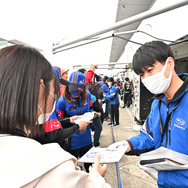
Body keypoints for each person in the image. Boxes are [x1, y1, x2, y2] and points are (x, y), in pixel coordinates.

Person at [0, 45, 110, 188]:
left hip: (85, 140)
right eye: (54, 89)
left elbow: (57, 122)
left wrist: (70, 120)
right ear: (41, 88)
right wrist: (96, 178)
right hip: (72, 143)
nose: (55, 96)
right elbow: (54, 134)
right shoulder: (52, 166)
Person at [108, 41, 188, 187]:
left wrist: (164, 178)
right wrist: (129, 145)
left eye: (150, 70)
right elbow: (149, 136)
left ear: (169, 63)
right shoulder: (157, 104)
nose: (146, 79)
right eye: (141, 74)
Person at [47, 71, 93, 172]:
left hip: (86, 138)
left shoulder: (87, 96)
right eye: (73, 89)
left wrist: (93, 115)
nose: (75, 92)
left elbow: (91, 109)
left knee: (91, 166)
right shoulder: (61, 101)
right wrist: (73, 123)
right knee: (72, 169)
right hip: (72, 140)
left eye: (78, 90)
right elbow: (58, 123)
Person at [87, 74, 104, 147]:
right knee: (98, 127)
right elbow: (93, 99)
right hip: (92, 111)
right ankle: (96, 144)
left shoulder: (91, 86)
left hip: (92, 110)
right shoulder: (87, 87)